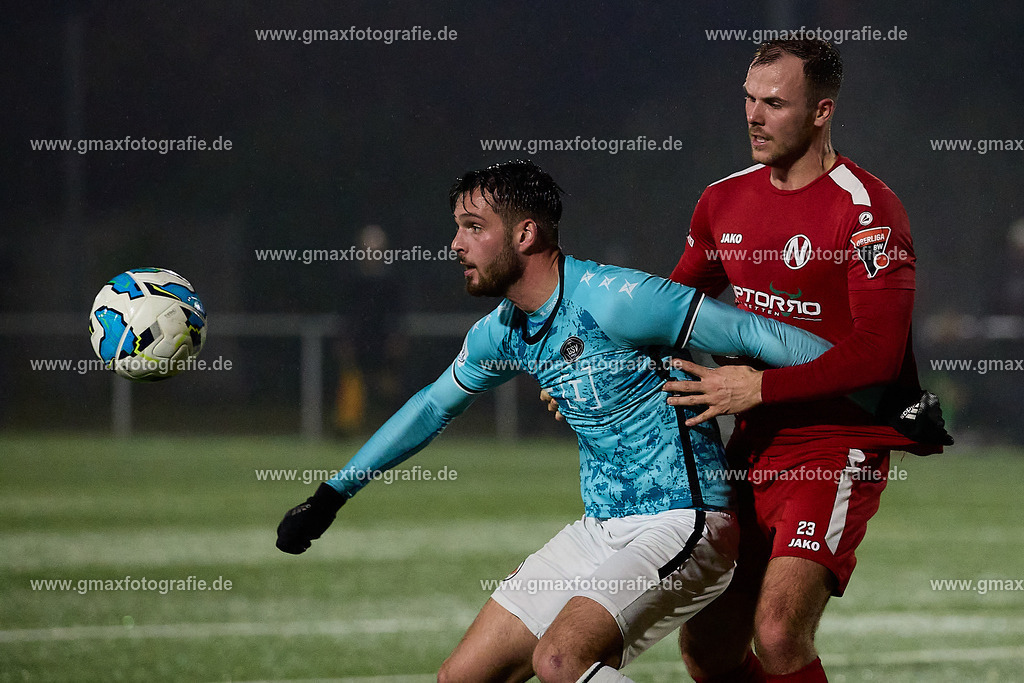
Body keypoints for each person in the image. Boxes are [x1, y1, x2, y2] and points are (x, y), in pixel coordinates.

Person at [276, 160, 836, 682]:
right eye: (457, 228)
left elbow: (755, 335)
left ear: (524, 235)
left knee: (561, 660)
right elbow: (430, 406)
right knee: (459, 678)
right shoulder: (501, 331)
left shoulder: (617, 298)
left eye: (473, 227)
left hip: (686, 522)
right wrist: (332, 494)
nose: (455, 244)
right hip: (600, 530)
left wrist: (886, 390)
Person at [662, 39, 951, 682]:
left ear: (822, 112)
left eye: (774, 103)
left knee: (779, 630)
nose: (753, 117)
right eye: (747, 100)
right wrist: (591, 364)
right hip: (752, 445)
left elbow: (878, 351)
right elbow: (670, 311)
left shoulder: (867, 210)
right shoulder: (722, 201)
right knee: (705, 650)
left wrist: (759, 387)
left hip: (837, 442)